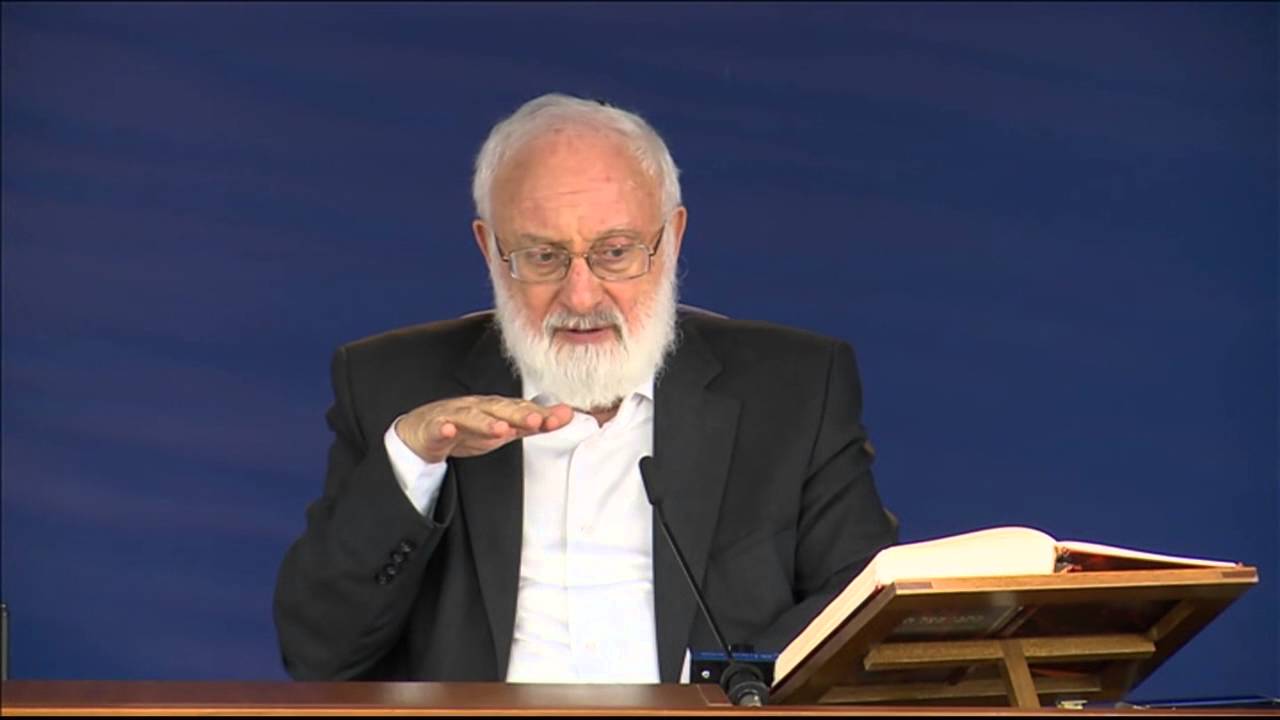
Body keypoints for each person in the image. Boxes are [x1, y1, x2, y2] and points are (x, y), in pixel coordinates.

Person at [273, 93, 897, 683]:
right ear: (490, 249)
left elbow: (862, 602)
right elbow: (319, 654)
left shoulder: (794, 389)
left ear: (672, 238)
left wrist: (728, 696)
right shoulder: (395, 386)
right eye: (543, 257)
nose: (580, 296)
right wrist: (413, 462)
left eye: (615, 252)